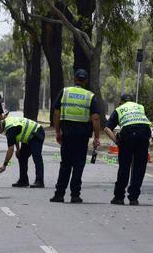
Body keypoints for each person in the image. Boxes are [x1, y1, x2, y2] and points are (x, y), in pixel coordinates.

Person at [50, 69, 101, 204]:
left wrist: (57, 131)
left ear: (74, 79)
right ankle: (75, 195)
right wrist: (97, 137)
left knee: (65, 164)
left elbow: (56, 114)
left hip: (67, 134)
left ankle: (59, 194)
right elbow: (95, 119)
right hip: (82, 136)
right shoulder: (90, 96)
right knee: (78, 165)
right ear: (86, 81)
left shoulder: (65, 92)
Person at [103, 94, 152, 206]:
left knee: (124, 166)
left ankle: (119, 197)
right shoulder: (140, 107)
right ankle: (134, 198)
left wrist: (116, 141)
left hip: (128, 134)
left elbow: (107, 128)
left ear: (121, 102)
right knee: (139, 167)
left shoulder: (119, 109)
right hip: (144, 134)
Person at [0, 116, 46, 188]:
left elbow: (10, 149)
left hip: (37, 133)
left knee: (37, 157)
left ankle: (40, 181)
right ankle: (23, 180)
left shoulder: (10, 130)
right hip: (28, 136)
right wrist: (18, 150)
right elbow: (16, 136)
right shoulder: (7, 122)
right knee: (21, 156)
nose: (0, 132)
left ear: (0, 126)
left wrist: (4, 165)